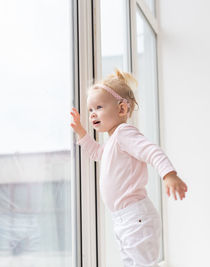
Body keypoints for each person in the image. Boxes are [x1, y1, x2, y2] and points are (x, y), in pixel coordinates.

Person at [69, 68, 188, 267]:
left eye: (98, 107)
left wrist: (169, 174)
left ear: (122, 109)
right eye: (90, 110)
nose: (92, 114)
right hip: (124, 219)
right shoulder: (112, 142)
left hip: (136, 217)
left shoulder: (124, 133)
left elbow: (152, 151)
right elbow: (96, 153)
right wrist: (81, 132)